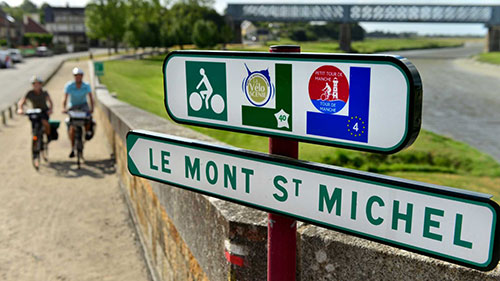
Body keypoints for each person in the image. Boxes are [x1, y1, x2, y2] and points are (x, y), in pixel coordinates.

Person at [61, 67, 95, 158]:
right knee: (72, 127)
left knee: (88, 119)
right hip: (73, 106)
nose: (78, 78)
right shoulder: (69, 85)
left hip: (83, 105)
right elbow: (65, 97)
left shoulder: (86, 85)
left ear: (82, 76)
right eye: (76, 76)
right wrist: (64, 108)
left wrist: (92, 108)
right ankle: (72, 148)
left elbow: (91, 97)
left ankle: (87, 132)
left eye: (79, 76)